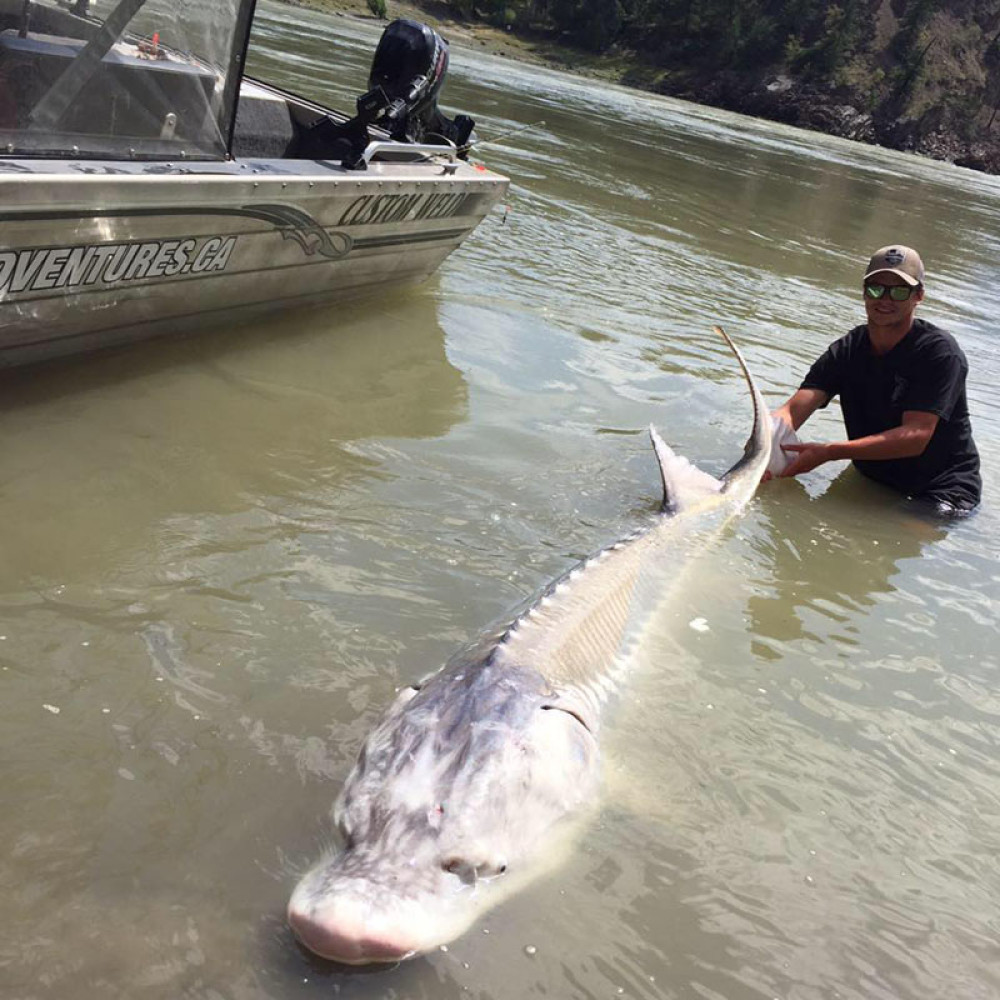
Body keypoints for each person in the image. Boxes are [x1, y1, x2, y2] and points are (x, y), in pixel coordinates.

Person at [770, 244, 981, 515]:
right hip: (872, 479)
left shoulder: (939, 353)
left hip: (941, 490)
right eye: (876, 288)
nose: (885, 299)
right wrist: (766, 443)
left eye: (899, 291)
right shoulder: (848, 349)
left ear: (919, 296)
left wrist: (830, 452)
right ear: (864, 292)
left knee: (887, 543)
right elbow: (792, 409)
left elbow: (915, 436)